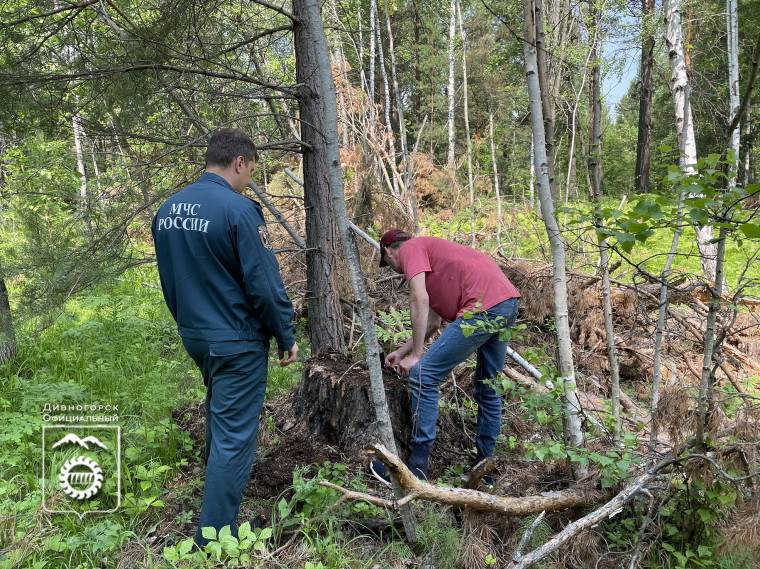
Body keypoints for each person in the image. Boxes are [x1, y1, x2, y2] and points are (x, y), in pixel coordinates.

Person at [151, 128, 298, 546]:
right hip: (237, 341)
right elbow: (264, 284)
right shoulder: (239, 211)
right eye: (251, 171)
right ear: (239, 162)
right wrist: (285, 333)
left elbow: (170, 279)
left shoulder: (167, 210)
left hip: (197, 335)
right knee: (235, 436)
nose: (249, 178)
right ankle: (213, 540)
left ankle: (215, 504)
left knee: (222, 417)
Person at [371, 230, 520, 487]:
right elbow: (433, 321)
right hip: (506, 303)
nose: (396, 270)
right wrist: (404, 352)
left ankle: (416, 469)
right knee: (488, 389)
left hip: (482, 306)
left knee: (423, 375)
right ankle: (484, 471)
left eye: (390, 265)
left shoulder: (411, 249)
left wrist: (418, 357)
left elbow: (418, 298)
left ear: (389, 252)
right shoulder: (433, 260)